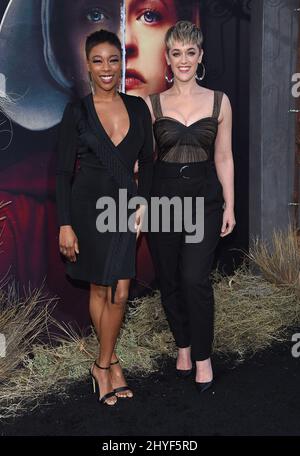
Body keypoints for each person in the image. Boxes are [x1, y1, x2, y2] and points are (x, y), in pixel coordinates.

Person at [56, 30, 153, 405]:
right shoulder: (77, 111)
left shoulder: (138, 107)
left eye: (113, 59)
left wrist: (144, 203)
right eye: (98, 60)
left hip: (126, 209)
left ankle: (101, 364)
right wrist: (65, 223)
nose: (107, 68)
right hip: (87, 209)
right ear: (88, 65)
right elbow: (64, 173)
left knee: (122, 289)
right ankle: (109, 364)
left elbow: (147, 161)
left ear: (121, 62)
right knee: (100, 287)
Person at [145, 21, 235, 393]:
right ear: (167, 58)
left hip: (205, 199)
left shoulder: (219, 101)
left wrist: (230, 204)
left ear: (200, 56)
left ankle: (202, 357)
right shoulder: (152, 104)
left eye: (190, 52)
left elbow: (225, 156)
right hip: (162, 199)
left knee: (194, 278)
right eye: (176, 53)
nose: (183, 60)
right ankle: (182, 345)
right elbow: (144, 160)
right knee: (168, 279)